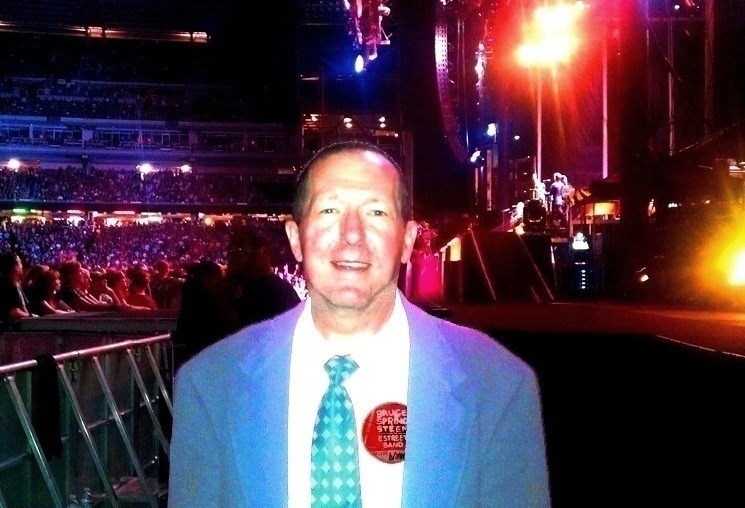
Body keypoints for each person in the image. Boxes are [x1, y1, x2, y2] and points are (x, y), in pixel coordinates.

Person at [167, 141, 550, 506]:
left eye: (376, 212)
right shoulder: (209, 384)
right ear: (295, 238)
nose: (352, 235)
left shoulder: (499, 385)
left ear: (407, 241)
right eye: (329, 211)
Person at [222, 224, 301, 333]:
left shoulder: (276, 291)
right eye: (230, 250)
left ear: (260, 253)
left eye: (240, 249)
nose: (232, 256)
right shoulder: (234, 289)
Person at [0, 251, 34, 321]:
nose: (22, 266)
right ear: (15, 267)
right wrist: (30, 316)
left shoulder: (14, 283)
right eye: (20, 263)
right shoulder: (9, 284)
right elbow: (13, 312)